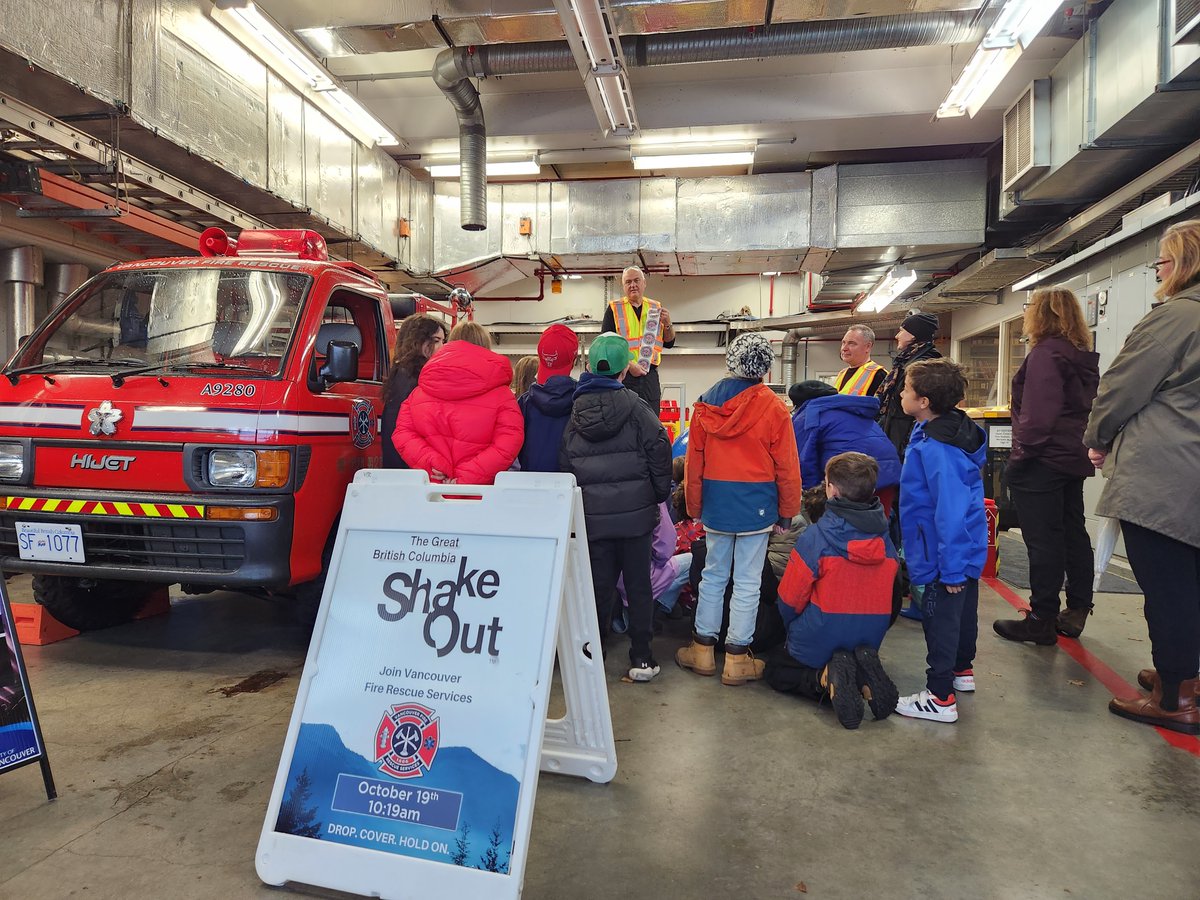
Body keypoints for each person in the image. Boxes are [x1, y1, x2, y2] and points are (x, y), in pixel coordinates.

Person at [1084, 219, 1200, 735]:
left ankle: (1175, 698)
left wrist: (1098, 436)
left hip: (1167, 472)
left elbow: (1123, 386)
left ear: (1186, 262)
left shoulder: (1177, 317)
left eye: (1164, 260)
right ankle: (1188, 678)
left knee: (1167, 586)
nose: (1158, 269)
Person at [676, 332, 801, 686]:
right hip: (757, 506)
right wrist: (787, 511)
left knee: (712, 575)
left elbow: (693, 464)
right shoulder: (775, 408)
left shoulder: (704, 405)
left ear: (730, 361)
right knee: (747, 581)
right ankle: (736, 659)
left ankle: (702, 649)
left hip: (715, 501)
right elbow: (787, 466)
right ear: (765, 367)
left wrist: (695, 505)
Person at [560, 332, 672, 682]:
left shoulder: (574, 412)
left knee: (597, 587)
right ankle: (641, 658)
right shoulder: (638, 408)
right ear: (625, 371)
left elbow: (566, 464)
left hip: (592, 520)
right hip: (636, 519)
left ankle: (593, 653)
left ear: (590, 366)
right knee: (639, 586)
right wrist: (655, 494)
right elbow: (660, 449)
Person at [993, 287, 1100, 645]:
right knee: (1073, 532)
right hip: (1071, 456)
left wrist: (1020, 458)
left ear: (1041, 314)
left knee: (1043, 541)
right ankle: (1078, 608)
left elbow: (1038, 417)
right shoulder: (1078, 355)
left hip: (1042, 459)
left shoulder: (1045, 355)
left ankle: (1040, 619)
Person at [767, 453, 900, 729]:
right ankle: (863, 680)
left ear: (832, 490)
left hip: (820, 632)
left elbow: (789, 600)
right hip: (870, 634)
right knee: (847, 651)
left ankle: (824, 678)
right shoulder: (886, 541)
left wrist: (791, 628)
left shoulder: (816, 538)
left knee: (777, 669)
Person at [894, 359, 987, 725]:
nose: (901, 393)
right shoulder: (942, 429)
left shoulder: (938, 448)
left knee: (941, 620)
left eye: (906, 389)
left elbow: (948, 509)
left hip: (943, 552)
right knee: (963, 614)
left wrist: (949, 570)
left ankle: (939, 695)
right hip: (962, 548)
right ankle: (962, 671)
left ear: (924, 401)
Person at [392, 321, 523, 485]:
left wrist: (431, 464)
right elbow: (509, 441)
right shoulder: (503, 395)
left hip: (430, 493)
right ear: (485, 347)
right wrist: (467, 477)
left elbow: (403, 434)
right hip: (481, 496)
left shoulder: (419, 393)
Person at [789, 379, 901, 515]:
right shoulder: (853, 409)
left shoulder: (809, 415)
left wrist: (812, 496)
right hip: (888, 473)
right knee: (879, 526)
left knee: (846, 530)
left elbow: (803, 460)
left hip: (851, 481)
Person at [600, 266, 676, 410]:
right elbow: (605, 347)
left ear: (644, 283)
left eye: (636, 280)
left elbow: (670, 342)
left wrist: (668, 324)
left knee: (652, 423)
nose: (633, 285)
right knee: (626, 424)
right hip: (623, 377)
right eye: (628, 282)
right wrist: (629, 365)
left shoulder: (655, 307)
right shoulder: (614, 309)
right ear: (623, 286)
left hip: (650, 378)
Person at [381, 315, 447, 469]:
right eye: (436, 341)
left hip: (407, 466)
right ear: (417, 341)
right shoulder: (411, 378)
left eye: (443, 341)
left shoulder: (404, 373)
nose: (442, 347)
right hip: (413, 467)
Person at [875, 311, 941, 461]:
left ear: (912, 335)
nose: (897, 335)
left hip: (907, 441)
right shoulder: (905, 361)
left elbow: (924, 409)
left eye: (901, 330)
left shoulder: (921, 365)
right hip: (898, 436)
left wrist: (907, 444)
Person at [516, 325, 579, 473]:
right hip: (570, 491)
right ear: (574, 359)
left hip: (530, 488)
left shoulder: (523, 404)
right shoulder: (583, 402)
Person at [834, 325, 886, 396]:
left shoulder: (879, 375)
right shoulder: (841, 374)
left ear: (868, 346)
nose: (844, 348)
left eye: (851, 343)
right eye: (843, 343)